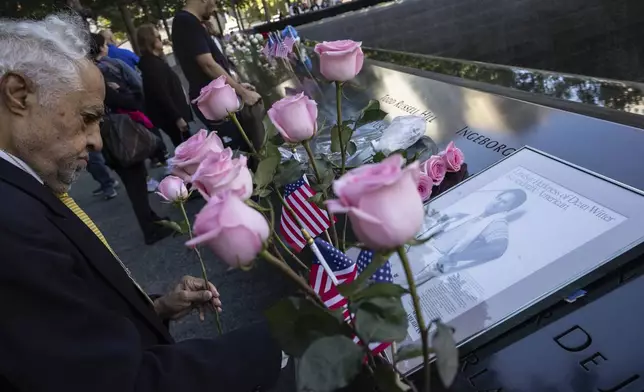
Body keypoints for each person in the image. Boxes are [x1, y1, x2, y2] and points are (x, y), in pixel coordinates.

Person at [0, 14, 281, 391]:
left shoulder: (22, 193)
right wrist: (282, 340)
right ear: (19, 94)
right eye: (87, 118)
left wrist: (157, 308)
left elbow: (67, 322)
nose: (96, 141)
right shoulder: (10, 224)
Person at [89, 33, 172, 245]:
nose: (107, 47)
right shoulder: (95, 74)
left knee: (136, 181)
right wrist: (126, 94)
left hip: (109, 136)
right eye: (104, 44)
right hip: (117, 136)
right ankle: (150, 229)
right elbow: (122, 99)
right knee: (135, 184)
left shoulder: (86, 74)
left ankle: (152, 219)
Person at [171, 0, 261, 150]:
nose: (215, 6)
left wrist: (235, 87)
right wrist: (243, 93)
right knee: (244, 150)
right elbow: (208, 64)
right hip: (215, 103)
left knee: (248, 145)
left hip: (217, 100)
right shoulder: (186, 22)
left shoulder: (187, 21)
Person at [392, 189, 528, 286]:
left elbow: (497, 248)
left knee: (393, 285)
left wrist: (453, 258)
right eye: (498, 198)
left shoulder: (498, 223)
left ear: (508, 209)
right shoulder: (477, 214)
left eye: (503, 202)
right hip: (422, 248)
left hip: (431, 259)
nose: (496, 202)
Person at [136, 24, 193, 147]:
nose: (161, 39)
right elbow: (161, 94)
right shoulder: (151, 65)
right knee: (187, 148)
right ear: (150, 40)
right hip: (172, 118)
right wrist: (177, 118)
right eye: (158, 37)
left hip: (173, 115)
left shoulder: (154, 62)